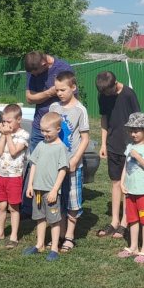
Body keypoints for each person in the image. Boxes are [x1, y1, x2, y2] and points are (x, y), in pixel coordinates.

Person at [22, 51, 73, 215]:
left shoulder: (63, 68)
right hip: (39, 126)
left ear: (44, 63)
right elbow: (29, 98)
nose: (35, 76)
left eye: (37, 72)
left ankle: (59, 205)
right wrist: (48, 93)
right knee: (34, 164)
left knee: (59, 165)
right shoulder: (33, 68)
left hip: (59, 127)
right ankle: (29, 207)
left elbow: (72, 97)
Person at [95, 70, 141, 240]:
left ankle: (125, 222)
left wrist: (137, 145)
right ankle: (114, 221)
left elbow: (138, 120)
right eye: (105, 93)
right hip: (112, 145)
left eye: (109, 92)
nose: (107, 95)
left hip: (129, 147)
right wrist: (103, 143)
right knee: (115, 182)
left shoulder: (129, 94)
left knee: (127, 184)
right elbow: (104, 118)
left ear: (115, 84)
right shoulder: (103, 94)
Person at [49, 71, 90, 253]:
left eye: (63, 90)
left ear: (73, 88)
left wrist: (75, 159)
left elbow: (85, 138)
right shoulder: (53, 107)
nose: (59, 93)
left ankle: (69, 237)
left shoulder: (80, 110)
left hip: (73, 165)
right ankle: (59, 234)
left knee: (73, 201)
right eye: (57, 90)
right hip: (55, 165)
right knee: (58, 199)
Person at [23, 111, 70, 261]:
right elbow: (34, 164)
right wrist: (30, 185)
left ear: (58, 129)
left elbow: (63, 170)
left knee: (54, 220)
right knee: (40, 218)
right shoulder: (40, 145)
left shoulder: (61, 148)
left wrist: (55, 190)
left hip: (51, 192)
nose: (44, 134)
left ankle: (54, 248)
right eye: (42, 131)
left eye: (47, 131)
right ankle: (39, 245)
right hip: (38, 190)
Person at [0, 104, 30, 248]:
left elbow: (13, 152)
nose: (5, 124)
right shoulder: (4, 134)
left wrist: (8, 135)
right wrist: (4, 135)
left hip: (14, 176)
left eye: (9, 121)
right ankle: (0, 233)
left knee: (13, 207)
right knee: (1, 206)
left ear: (19, 120)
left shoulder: (24, 135)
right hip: (1, 175)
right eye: (4, 121)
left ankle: (14, 236)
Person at [116, 112, 144, 264]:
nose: (133, 134)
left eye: (136, 131)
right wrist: (122, 182)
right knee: (132, 219)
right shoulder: (130, 147)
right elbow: (126, 166)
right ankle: (133, 246)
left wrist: (138, 157)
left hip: (143, 191)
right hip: (129, 190)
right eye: (131, 131)